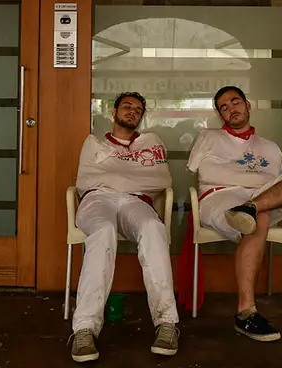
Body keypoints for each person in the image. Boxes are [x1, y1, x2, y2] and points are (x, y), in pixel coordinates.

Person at [186, 86, 282, 342]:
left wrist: (255, 201)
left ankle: (251, 208)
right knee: (260, 219)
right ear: (220, 114)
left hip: (262, 198)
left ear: (247, 104)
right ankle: (246, 313)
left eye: (235, 102)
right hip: (219, 197)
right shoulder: (208, 137)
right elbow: (195, 172)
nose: (231, 109)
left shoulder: (270, 147)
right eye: (224, 107)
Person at [69, 92, 180, 362]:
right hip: (97, 199)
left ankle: (167, 322)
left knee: (154, 228)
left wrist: (113, 173)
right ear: (114, 112)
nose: (132, 111)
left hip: (135, 202)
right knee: (104, 231)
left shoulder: (150, 143)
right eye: (127, 106)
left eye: (138, 109)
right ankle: (84, 328)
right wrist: (134, 176)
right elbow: (87, 179)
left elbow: (161, 180)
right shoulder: (93, 142)